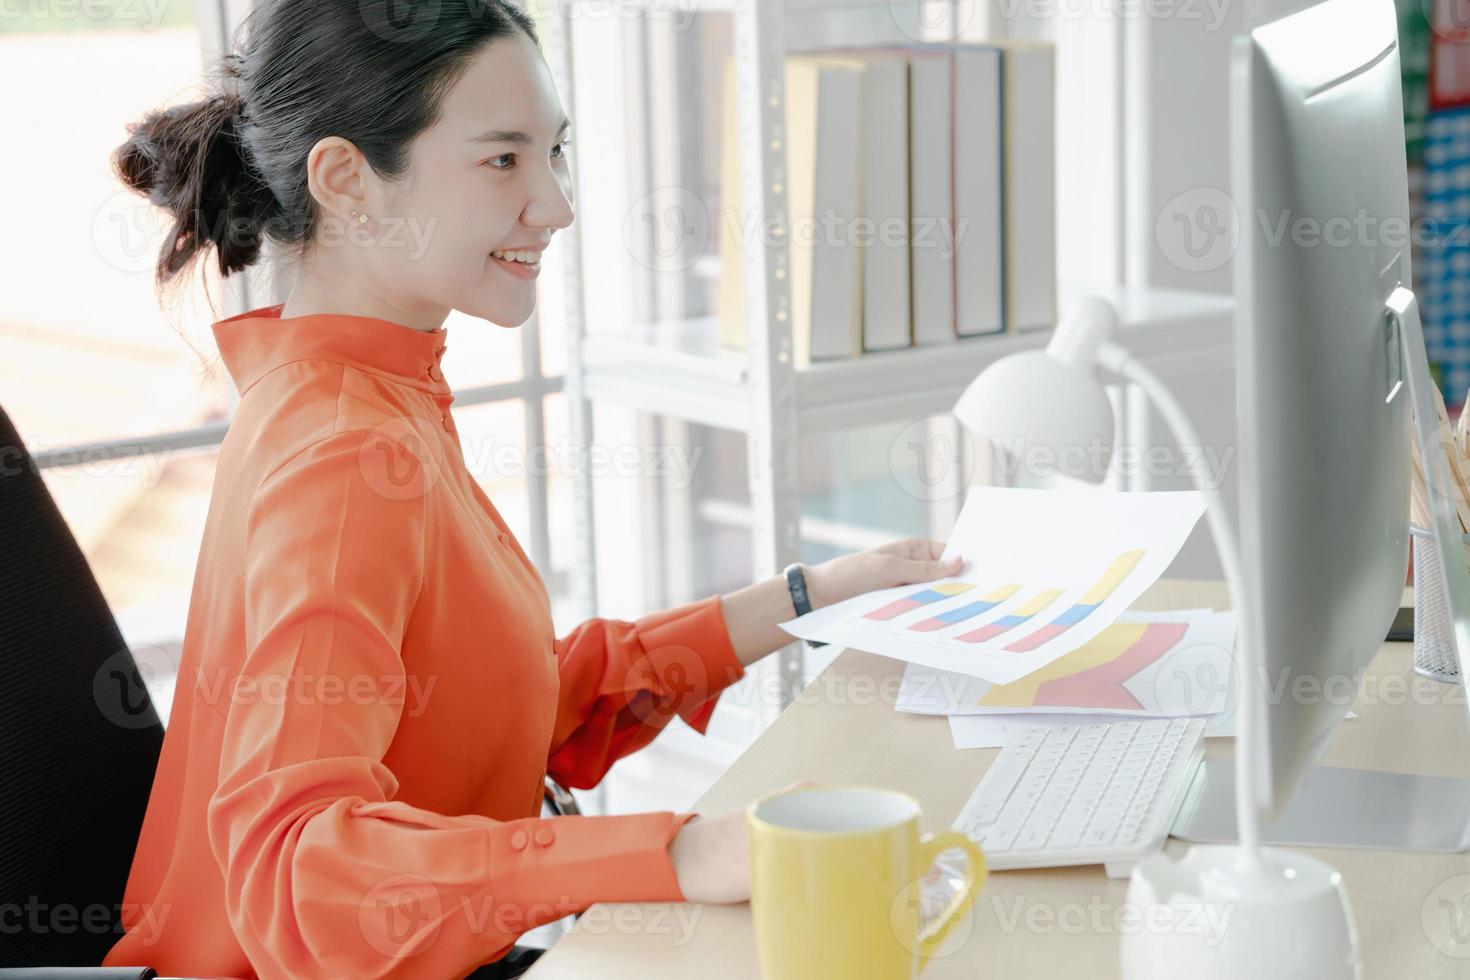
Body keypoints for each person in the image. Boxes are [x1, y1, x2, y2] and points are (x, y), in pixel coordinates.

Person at [99, 2, 964, 978]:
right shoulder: (343, 452)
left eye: (554, 154)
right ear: (347, 182)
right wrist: (676, 852)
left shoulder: (368, 394)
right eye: (503, 159)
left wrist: (809, 596)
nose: (554, 203)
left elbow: (491, 702)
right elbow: (299, 873)